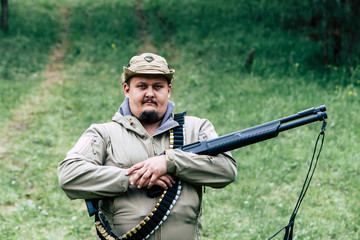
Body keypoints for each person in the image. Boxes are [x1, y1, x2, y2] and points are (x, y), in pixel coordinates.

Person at [58, 53, 237, 240]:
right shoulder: (103, 133)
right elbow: (68, 175)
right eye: (142, 86)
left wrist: (170, 162)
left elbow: (227, 169)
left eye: (158, 86)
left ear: (169, 90)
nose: (150, 93)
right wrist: (132, 177)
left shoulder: (196, 128)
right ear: (127, 89)